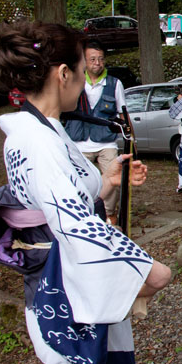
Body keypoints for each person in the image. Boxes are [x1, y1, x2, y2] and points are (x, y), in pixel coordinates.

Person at [0, 20, 171, 364]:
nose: (87, 76)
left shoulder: (44, 131)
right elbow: (72, 224)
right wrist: (147, 270)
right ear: (63, 73)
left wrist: (104, 184)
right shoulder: (37, 141)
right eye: (82, 68)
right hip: (67, 288)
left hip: (75, 280)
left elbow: (61, 203)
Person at [63, 39, 126, 225]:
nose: (97, 63)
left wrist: (129, 135)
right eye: (92, 59)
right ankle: (83, 214)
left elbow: (123, 113)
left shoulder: (114, 84)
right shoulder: (74, 81)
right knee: (78, 181)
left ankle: (109, 214)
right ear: (84, 60)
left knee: (113, 179)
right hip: (79, 142)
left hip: (106, 141)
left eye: (100, 59)